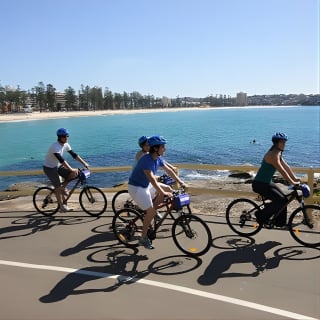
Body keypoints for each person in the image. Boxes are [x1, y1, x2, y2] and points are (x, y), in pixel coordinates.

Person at [128, 135, 186, 249]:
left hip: (145, 185)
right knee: (151, 212)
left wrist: (181, 182)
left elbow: (169, 170)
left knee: (168, 189)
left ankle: (151, 210)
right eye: (163, 147)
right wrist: (162, 193)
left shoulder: (157, 158)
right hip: (136, 187)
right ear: (155, 149)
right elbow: (153, 180)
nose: (165, 149)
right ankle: (143, 238)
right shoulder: (145, 160)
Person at [252, 132, 300, 227]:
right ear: (276, 143)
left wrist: (295, 178)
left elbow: (286, 167)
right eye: (282, 142)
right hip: (260, 184)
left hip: (267, 182)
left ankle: (279, 223)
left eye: (284, 142)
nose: (284, 144)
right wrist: (292, 182)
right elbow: (282, 172)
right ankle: (260, 215)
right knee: (280, 201)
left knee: (284, 200)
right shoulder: (273, 155)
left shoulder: (278, 152)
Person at [43, 128, 89, 212]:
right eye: (64, 136)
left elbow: (74, 155)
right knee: (57, 187)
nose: (66, 138)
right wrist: (71, 169)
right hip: (49, 167)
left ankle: (62, 188)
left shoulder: (66, 144)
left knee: (73, 174)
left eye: (67, 136)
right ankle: (61, 207)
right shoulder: (55, 146)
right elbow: (61, 160)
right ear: (59, 137)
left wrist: (84, 163)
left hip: (58, 166)